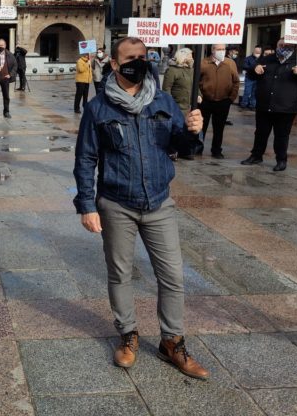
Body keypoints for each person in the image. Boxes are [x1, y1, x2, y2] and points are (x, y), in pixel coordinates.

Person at [73, 36, 209, 380]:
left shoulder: (162, 100)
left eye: (143, 57)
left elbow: (182, 147)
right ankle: (128, 334)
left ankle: (172, 341)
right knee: (119, 273)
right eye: (130, 58)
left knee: (173, 275)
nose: (138, 63)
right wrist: (87, 205)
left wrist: (193, 132)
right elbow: (86, 158)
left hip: (159, 202)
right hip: (117, 203)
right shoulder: (99, 107)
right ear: (115, 65)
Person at [241, 38, 297, 172]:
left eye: (286, 45)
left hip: (286, 107)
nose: (283, 47)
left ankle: (281, 160)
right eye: (280, 45)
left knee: (281, 135)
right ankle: (256, 156)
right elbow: (251, 73)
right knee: (260, 133)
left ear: (293, 46)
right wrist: (254, 68)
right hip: (265, 104)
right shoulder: (268, 59)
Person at [199, 44, 239, 159]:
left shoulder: (230, 63)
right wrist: (199, 95)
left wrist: (231, 98)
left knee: (219, 128)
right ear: (213, 50)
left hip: (223, 101)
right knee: (201, 127)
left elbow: (236, 82)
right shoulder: (203, 63)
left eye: (223, 49)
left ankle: (216, 150)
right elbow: (196, 80)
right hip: (205, 101)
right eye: (219, 49)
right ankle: (198, 148)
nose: (222, 51)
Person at [161, 47, 193, 115]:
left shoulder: (190, 70)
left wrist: (199, 95)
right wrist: (170, 104)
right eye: (190, 57)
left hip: (189, 106)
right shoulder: (172, 70)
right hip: (177, 107)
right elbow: (166, 89)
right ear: (183, 57)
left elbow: (194, 84)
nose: (192, 59)